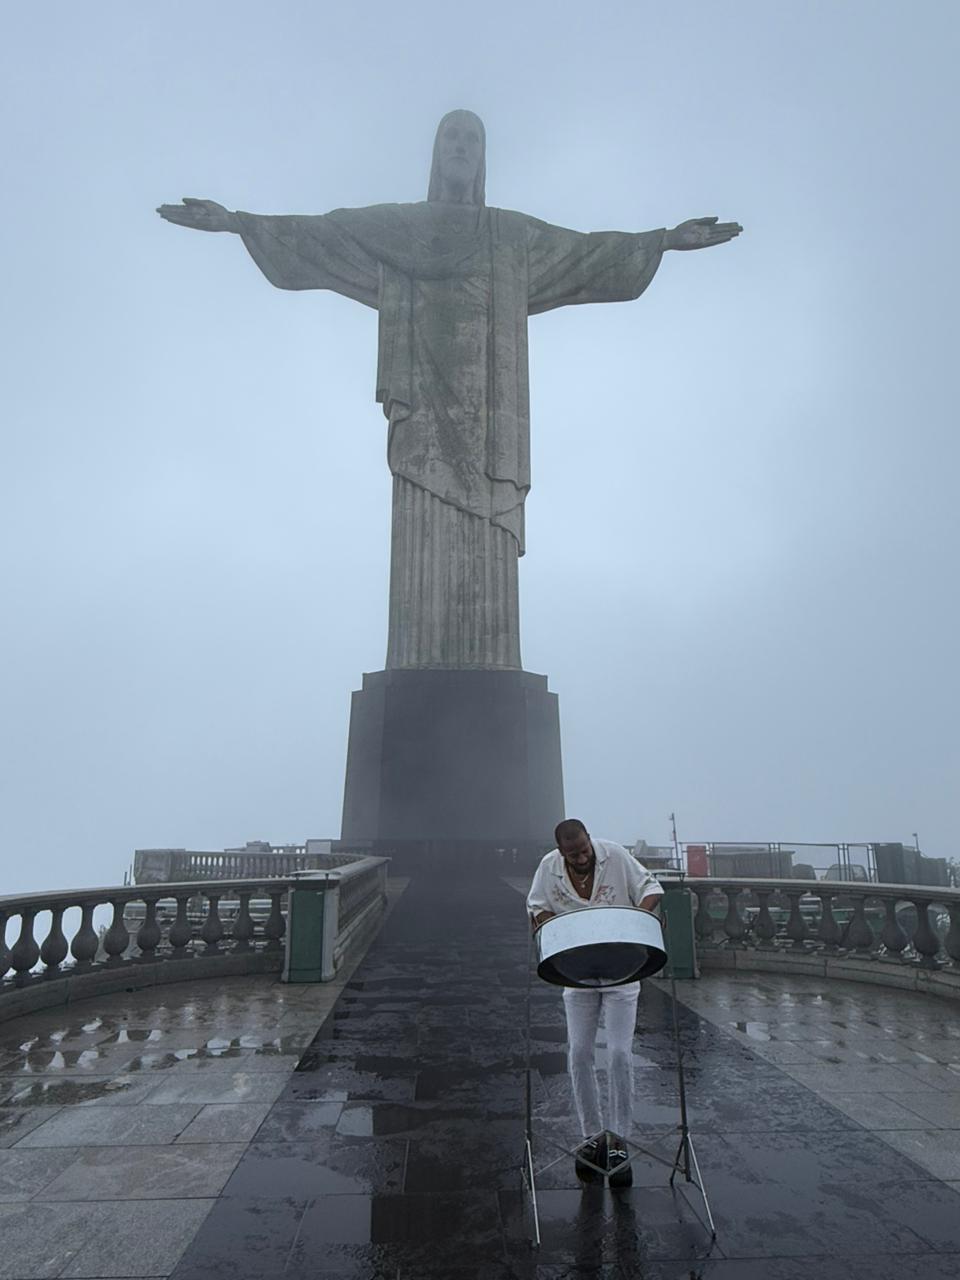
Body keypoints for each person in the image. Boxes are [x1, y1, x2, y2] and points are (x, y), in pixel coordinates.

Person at [527, 818, 662, 1183]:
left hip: (622, 971)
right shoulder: (548, 868)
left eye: (584, 849)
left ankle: (618, 1138)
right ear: (561, 852)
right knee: (579, 1054)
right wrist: (549, 928)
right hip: (577, 973)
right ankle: (590, 1137)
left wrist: (638, 923)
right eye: (573, 854)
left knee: (619, 1054)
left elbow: (651, 887)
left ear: (590, 840)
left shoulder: (615, 856)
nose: (581, 857)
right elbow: (537, 907)